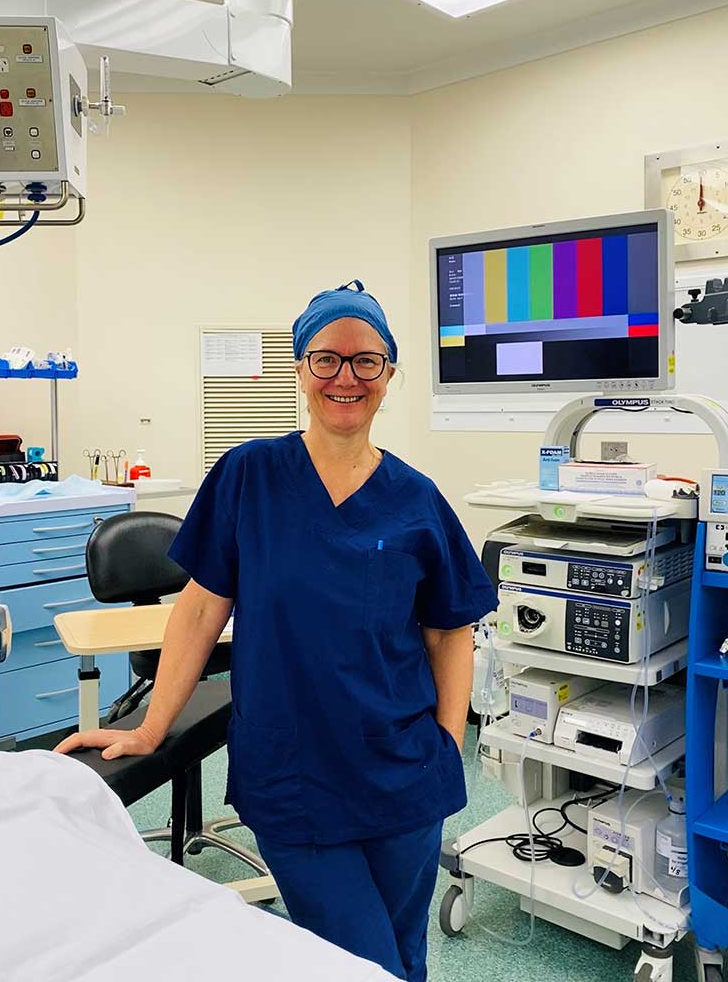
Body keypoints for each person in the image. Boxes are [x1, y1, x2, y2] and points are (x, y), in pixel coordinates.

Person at [56, 279, 497, 982]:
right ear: (299, 369)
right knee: (361, 964)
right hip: (292, 776)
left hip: (404, 780)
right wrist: (149, 727)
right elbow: (201, 609)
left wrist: (446, 746)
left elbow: (451, 632)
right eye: (326, 359)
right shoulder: (249, 474)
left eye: (366, 361)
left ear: (388, 377)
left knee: (405, 958)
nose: (345, 377)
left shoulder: (416, 499)